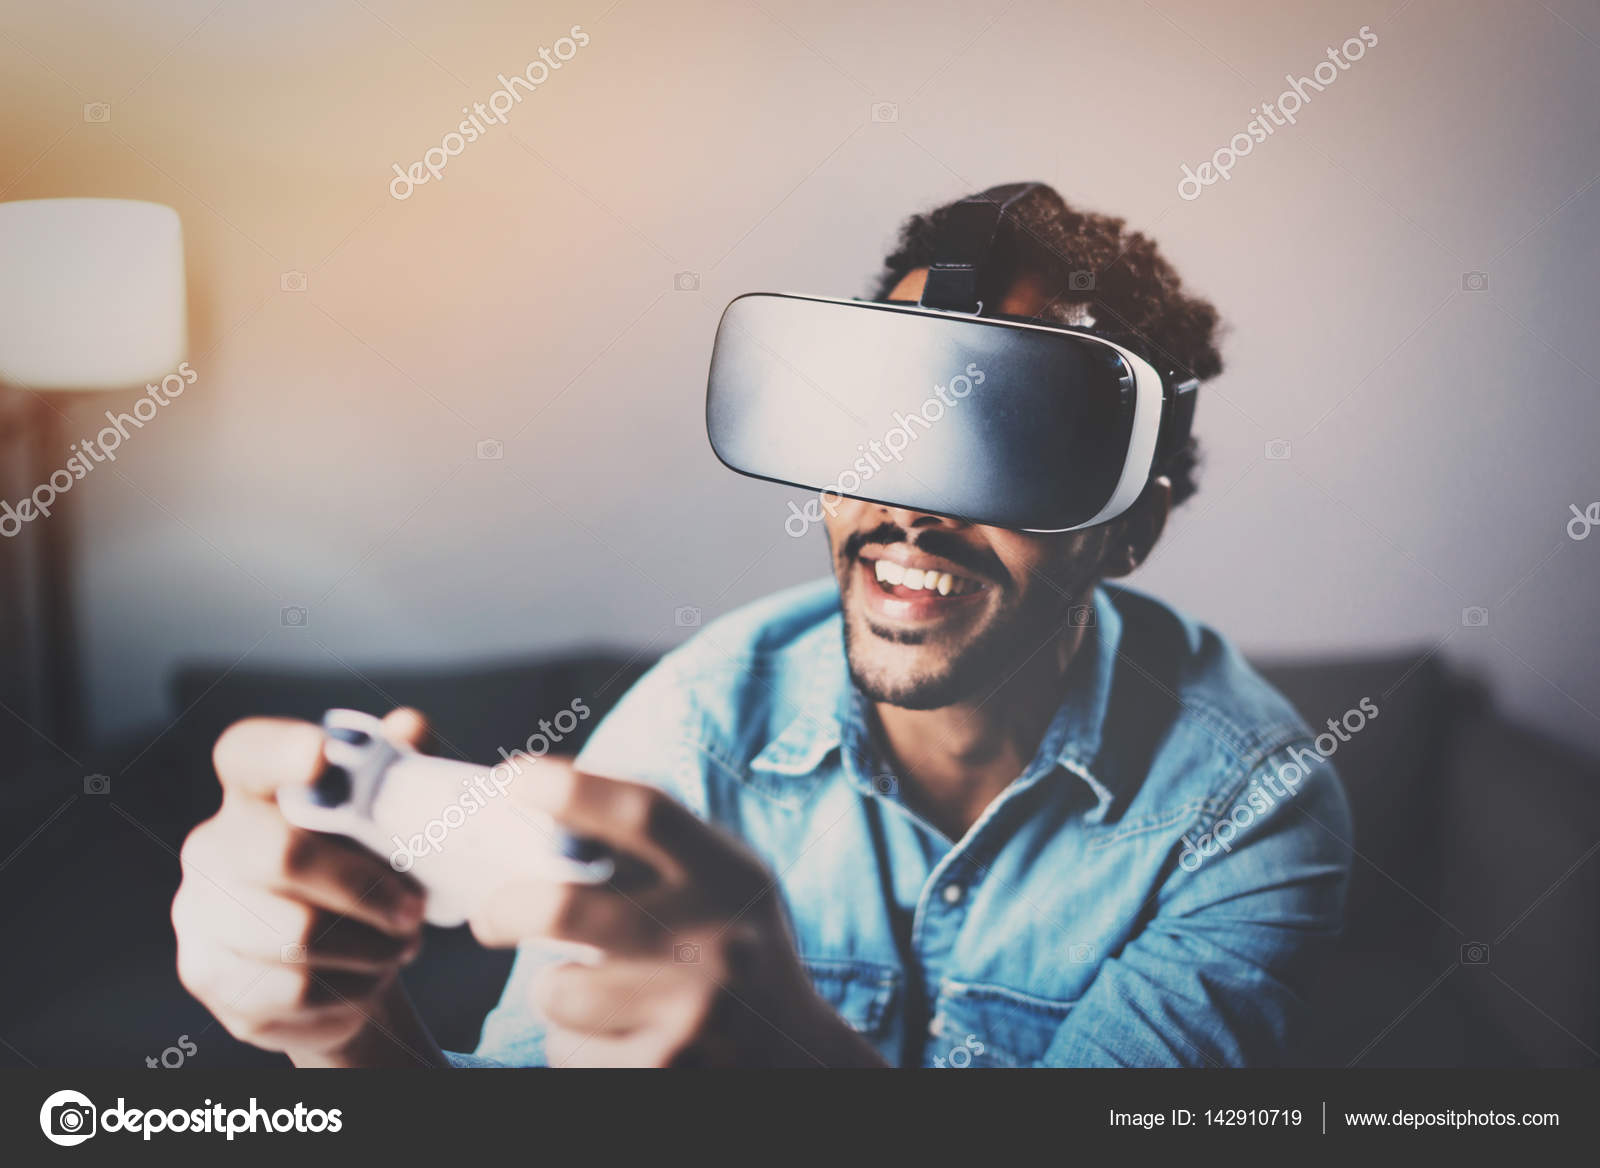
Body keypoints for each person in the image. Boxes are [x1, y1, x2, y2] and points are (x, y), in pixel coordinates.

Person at [172, 184, 1352, 1067]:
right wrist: (351, 1041)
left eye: (1012, 441)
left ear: (1127, 529)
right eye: (884, 425)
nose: (907, 509)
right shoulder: (699, 719)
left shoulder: (1247, 809)